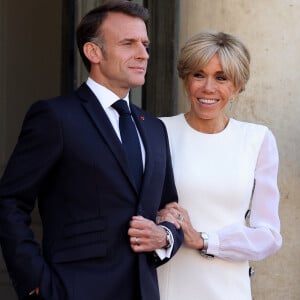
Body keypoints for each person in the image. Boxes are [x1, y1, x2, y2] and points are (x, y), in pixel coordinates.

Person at [0, 1, 183, 299]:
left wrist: (165, 237)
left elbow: (169, 207)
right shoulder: (55, 117)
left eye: (145, 44)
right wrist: (36, 284)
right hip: (73, 289)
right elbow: (9, 202)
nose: (143, 54)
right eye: (129, 43)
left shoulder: (153, 128)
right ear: (93, 52)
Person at [156, 31, 282, 300]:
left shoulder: (257, 140)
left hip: (228, 288)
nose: (208, 88)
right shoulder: (158, 131)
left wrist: (204, 240)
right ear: (185, 80)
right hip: (167, 284)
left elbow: (269, 235)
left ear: (237, 86)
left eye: (221, 78)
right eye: (198, 75)